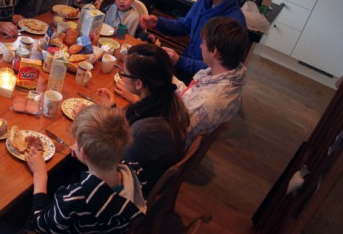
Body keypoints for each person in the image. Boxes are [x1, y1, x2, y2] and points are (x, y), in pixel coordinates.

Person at [26, 105, 147, 233]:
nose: (74, 145)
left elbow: (39, 223)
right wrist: (89, 158)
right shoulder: (136, 171)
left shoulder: (74, 198)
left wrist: (40, 174)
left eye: (76, 142)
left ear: (83, 153)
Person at [97, 43, 190, 190]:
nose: (122, 76)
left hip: (128, 190)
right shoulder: (168, 101)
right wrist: (113, 110)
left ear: (139, 84)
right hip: (141, 173)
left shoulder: (145, 130)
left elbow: (115, 168)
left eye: (124, 73)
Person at [139, 0, 246, 82]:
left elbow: (220, 70)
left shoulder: (234, 23)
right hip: (183, 68)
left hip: (202, 83)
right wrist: (158, 22)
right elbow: (184, 25)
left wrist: (180, 61)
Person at [174, 17, 249, 147]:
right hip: (176, 114)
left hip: (167, 145)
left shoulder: (207, 101)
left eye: (203, 43)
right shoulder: (227, 74)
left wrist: (138, 101)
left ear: (214, 52)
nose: (200, 46)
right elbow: (189, 95)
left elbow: (173, 132)